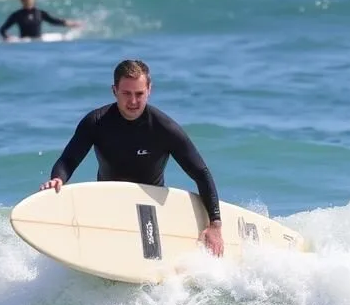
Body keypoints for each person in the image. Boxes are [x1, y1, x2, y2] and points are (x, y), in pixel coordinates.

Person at [41, 59, 224, 256]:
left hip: (150, 211)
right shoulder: (96, 122)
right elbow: (68, 161)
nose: (133, 101)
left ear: (149, 90)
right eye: (126, 93)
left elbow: (200, 172)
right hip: (108, 203)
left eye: (139, 94)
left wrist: (215, 224)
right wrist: (58, 179)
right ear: (114, 91)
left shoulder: (164, 128)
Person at [0, 0, 82, 40]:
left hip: (38, 43)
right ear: (22, 0)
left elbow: (53, 21)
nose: (29, 1)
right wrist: (7, 38)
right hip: (24, 43)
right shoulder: (17, 15)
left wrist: (71, 24)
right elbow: (2, 30)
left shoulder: (39, 13)